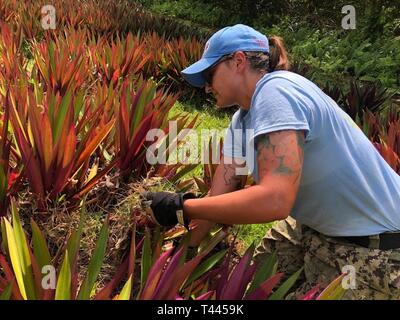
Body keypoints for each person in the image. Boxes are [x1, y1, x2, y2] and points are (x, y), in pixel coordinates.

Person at [142, 24, 400, 299]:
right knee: (254, 279)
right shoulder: (241, 121)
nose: (206, 86)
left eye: (209, 74)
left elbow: (275, 200)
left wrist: (181, 206)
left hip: (376, 245)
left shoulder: (277, 92)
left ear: (238, 61)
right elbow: (215, 201)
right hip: (317, 226)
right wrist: (174, 258)